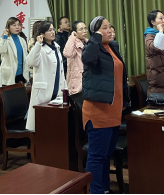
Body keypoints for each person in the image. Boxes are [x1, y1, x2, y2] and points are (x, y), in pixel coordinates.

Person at [82, 16, 130, 195]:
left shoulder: (112, 47)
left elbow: (120, 77)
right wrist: (95, 37)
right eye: (104, 27)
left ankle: (105, 189)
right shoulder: (92, 48)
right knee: (97, 156)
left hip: (113, 111)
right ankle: (96, 191)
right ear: (95, 32)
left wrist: (125, 100)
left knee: (106, 155)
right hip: (98, 112)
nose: (109, 30)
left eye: (110, 26)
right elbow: (87, 59)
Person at [26, 21, 67, 131]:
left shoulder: (56, 47)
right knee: (43, 125)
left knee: (55, 125)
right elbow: (30, 62)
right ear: (42, 34)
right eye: (49, 30)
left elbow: (60, 71)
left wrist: (65, 89)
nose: (53, 32)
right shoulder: (39, 48)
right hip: (43, 92)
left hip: (57, 90)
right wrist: (38, 44)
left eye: (53, 29)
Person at [0, 17, 29, 87]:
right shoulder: (5, 39)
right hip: (9, 75)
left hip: (21, 74)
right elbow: (0, 50)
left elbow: (25, 57)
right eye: (14, 25)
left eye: (18, 25)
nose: (17, 27)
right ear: (8, 27)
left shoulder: (22, 40)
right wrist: (5, 36)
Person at [63, 20, 87, 95]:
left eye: (85, 28)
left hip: (88, 80)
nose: (84, 31)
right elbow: (67, 54)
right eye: (81, 29)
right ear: (75, 32)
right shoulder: (73, 44)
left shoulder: (88, 43)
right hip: (76, 81)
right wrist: (72, 37)